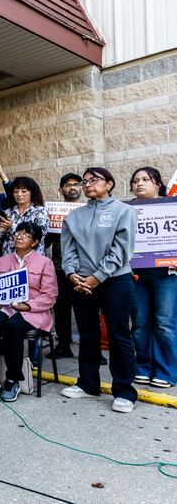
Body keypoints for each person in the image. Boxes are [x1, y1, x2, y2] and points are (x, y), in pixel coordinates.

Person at [60, 167, 138, 413]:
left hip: (115, 280)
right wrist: (72, 273)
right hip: (80, 282)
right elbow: (68, 249)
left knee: (119, 334)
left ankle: (124, 391)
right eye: (85, 181)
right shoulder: (74, 216)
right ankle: (88, 383)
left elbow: (121, 249)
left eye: (94, 180)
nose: (87, 184)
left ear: (110, 184)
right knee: (87, 333)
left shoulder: (124, 211)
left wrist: (98, 277)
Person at [0, 222, 58, 401]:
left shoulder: (45, 263)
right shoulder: (2, 261)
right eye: (17, 233)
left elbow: (50, 295)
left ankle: (13, 379)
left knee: (13, 326)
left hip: (33, 312)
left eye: (26, 235)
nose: (19, 237)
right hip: (6, 308)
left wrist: (27, 305)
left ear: (35, 242)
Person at [128, 167, 176, 388]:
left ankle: (166, 371)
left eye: (145, 179)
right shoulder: (126, 210)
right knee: (139, 323)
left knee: (164, 324)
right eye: (135, 180)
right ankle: (143, 367)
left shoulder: (172, 207)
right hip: (135, 274)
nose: (139, 184)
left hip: (166, 274)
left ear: (158, 183)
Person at [45, 173, 83, 359]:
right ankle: (63, 345)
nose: (73, 187)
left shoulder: (89, 208)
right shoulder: (55, 212)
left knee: (87, 309)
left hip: (86, 269)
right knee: (61, 309)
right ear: (61, 190)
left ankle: (92, 349)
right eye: (68, 185)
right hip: (60, 268)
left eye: (76, 184)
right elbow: (45, 243)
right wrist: (49, 227)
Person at [0, 176, 49, 256]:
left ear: (32, 193)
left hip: (32, 260)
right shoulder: (8, 212)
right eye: (15, 191)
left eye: (24, 191)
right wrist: (0, 231)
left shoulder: (40, 211)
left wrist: (12, 226)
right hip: (9, 259)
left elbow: (39, 236)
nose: (19, 194)